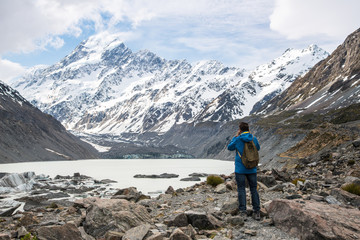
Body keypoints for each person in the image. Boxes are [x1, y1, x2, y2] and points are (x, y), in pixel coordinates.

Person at [227, 122, 261, 220]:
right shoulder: (253, 138)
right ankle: (257, 211)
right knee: (253, 189)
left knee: (241, 189)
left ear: (240, 129)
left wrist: (236, 136)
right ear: (248, 129)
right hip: (252, 168)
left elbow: (230, 147)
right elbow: (258, 148)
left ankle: (243, 212)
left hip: (240, 169)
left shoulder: (238, 139)